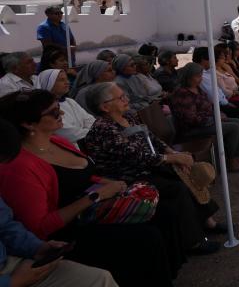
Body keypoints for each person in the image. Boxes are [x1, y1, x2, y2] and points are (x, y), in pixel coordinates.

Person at [0, 91, 178, 286]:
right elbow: (40, 227)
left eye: (59, 108)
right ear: (28, 124)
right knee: (145, 237)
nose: (62, 114)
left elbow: (82, 175)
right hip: (70, 228)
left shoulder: (56, 141)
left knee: (163, 212)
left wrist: (107, 183)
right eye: (54, 112)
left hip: (94, 208)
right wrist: (95, 196)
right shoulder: (20, 167)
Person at [80, 83, 222, 255]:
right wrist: (172, 158)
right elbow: (136, 155)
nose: (126, 99)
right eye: (120, 98)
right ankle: (193, 241)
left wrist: (171, 152)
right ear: (104, 107)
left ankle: (208, 222)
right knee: (176, 188)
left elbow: (152, 138)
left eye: (124, 95)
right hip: (128, 177)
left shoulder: (129, 117)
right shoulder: (103, 129)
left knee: (186, 174)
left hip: (148, 167)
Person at [169, 63, 239, 172]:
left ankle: (236, 157)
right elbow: (191, 118)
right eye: (197, 76)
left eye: (200, 76)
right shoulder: (182, 93)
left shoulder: (197, 88)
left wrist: (217, 115)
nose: (200, 79)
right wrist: (214, 119)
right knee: (234, 127)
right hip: (193, 128)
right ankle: (231, 160)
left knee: (238, 122)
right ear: (188, 77)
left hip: (207, 121)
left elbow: (208, 105)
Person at [192, 48, 239, 134]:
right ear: (203, 59)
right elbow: (212, 95)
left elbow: (217, 90)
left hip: (223, 100)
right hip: (216, 105)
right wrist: (227, 102)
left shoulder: (208, 72)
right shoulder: (202, 75)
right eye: (211, 58)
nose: (213, 61)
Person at [37, 69, 94, 147]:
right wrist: (94, 132)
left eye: (67, 79)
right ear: (49, 83)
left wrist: (92, 130)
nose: (67, 82)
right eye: (61, 80)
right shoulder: (46, 108)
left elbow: (89, 120)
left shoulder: (70, 101)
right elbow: (70, 134)